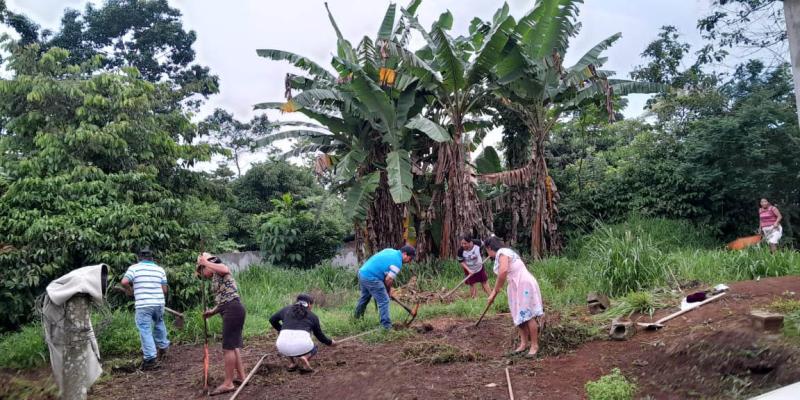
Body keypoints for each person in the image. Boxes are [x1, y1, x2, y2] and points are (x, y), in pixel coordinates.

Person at [484, 236, 543, 359]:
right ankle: (523, 344)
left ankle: (534, 346)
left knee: (528, 315)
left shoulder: (503, 252)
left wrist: (494, 292)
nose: (487, 254)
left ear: (489, 248)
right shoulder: (505, 252)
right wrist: (495, 291)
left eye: (486, 251)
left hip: (523, 284)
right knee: (519, 315)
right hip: (516, 286)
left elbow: (503, 272)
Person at [197, 253, 246, 396]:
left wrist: (205, 262)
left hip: (233, 309)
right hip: (231, 309)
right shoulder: (216, 277)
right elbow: (224, 300)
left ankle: (228, 383)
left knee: (228, 348)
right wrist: (212, 312)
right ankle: (242, 377)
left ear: (207, 266)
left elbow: (225, 269)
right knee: (233, 345)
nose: (203, 275)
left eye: (202, 271)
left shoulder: (220, 269)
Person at [120, 248, 170, 370]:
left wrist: (130, 291)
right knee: (159, 323)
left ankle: (150, 358)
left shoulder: (134, 268)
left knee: (145, 329)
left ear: (139, 258)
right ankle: (163, 347)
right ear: (152, 258)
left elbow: (124, 281)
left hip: (143, 304)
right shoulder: (160, 269)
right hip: (159, 303)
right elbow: (164, 290)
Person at [270, 294, 336, 373]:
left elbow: (272, 320)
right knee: (315, 346)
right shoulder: (313, 316)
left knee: (283, 334)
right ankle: (305, 357)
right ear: (309, 304)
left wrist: (281, 330)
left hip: (282, 346)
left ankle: (292, 363)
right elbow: (319, 336)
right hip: (303, 346)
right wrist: (330, 342)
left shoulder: (286, 309)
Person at [353, 245, 415, 329]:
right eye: (410, 259)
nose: (409, 261)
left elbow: (381, 266)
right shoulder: (398, 263)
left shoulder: (390, 250)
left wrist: (386, 290)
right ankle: (386, 327)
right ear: (404, 254)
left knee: (365, 297)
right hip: (371, 277)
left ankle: (356, 319)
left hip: (363, 273)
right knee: (384, 300)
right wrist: (388, 291)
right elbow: (388, 279)